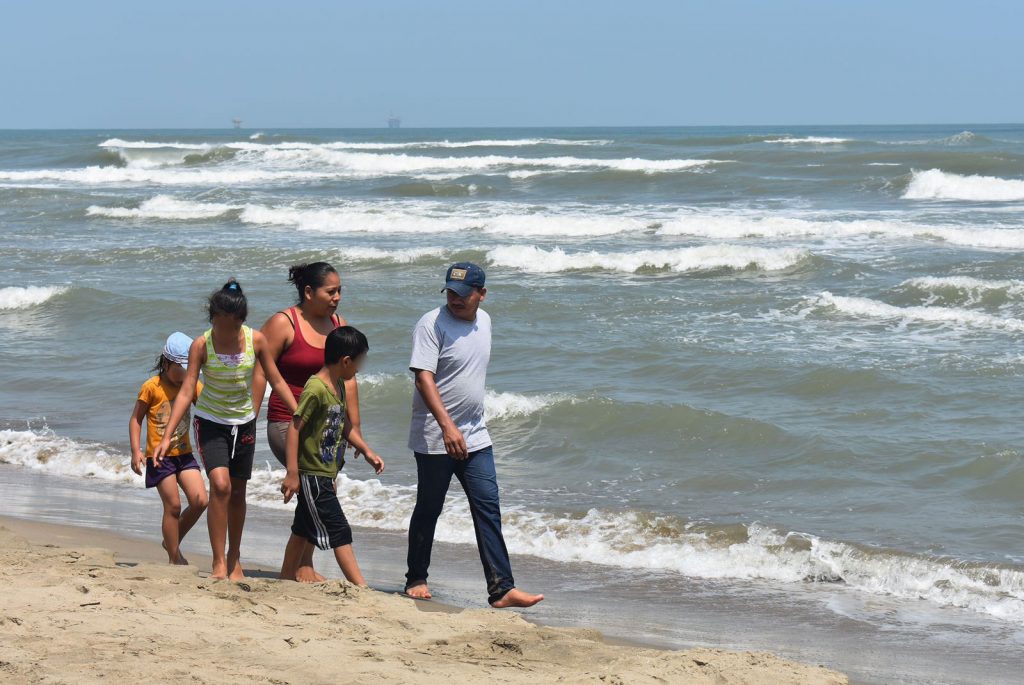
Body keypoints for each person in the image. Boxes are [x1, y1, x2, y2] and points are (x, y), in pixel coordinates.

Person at [404, 263, 543, 608]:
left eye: (463, 294)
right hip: (437, 435)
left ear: (482, 294)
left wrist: (464, 424)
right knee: (429, 508)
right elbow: (423, 378)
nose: (455, 299)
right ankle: (416, 577)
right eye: (450, 292)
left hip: (476, 434)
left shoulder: (485, 321)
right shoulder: (431, 324)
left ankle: (501, 589)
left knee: (487, 507)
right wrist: (448, 426)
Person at [153, 279, 296, 580]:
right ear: (212, 319)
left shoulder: (256, 341)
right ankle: (219, 561)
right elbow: (187, 388)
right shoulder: (201, 344)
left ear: (241, 322)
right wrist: (166, 436)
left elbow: (276, 379)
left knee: (238, 492)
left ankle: (234, 557)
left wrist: (299, 411)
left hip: (243, 422)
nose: (226, 334)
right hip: (210, 423)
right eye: (220, 326)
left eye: (232, 328)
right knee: (220, 486)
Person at [253, 262, 375, 582]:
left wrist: (355, 430)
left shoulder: (338, 325)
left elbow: (347, 380)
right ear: (308, 292)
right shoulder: (284, 323)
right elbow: (260, 371)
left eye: (340, 291)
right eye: (330, 291)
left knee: (318, 488)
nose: (337, 297)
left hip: (328, 427)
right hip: (287, 422)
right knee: (318, 486)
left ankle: (294, 568)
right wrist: (248, 419)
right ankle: (303, 567)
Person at [280, 326, 384, 585]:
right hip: (312, 475)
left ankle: (283, 580)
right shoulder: (316, 388)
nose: (359, 369)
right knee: (339, 529)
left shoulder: (338, 385)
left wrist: (367, 450)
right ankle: (361, 586)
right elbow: (294, 429)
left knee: (303, 529)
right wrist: (293, 473)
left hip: (325, 473)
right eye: (359, 363)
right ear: (346, 361)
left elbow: (345, 425)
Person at [128, 332, 209, 565]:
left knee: (200, 501)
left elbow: (206, 409)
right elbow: (136, 419)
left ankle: (171, 539)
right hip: (159, 457)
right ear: (166, 362)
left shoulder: (192, 385)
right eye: (180, 368)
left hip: (184, 455)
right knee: (173, 505)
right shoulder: (151, 387)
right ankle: (175, 557)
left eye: (188, 368)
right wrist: (136, 451)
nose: (185, 373)